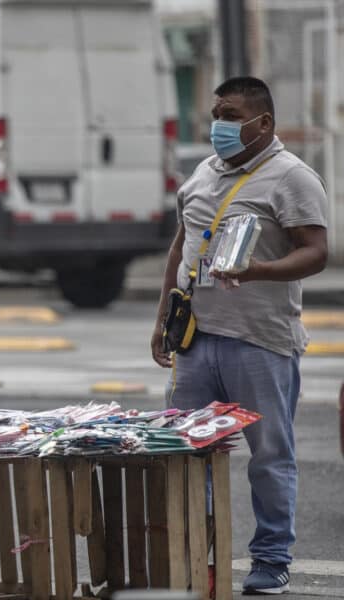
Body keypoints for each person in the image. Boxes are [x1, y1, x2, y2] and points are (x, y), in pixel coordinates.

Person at [150, 77, 327, 595]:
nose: (218, 126)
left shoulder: (292, 178)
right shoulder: (202, 173)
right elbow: (180, 248)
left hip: (260, 342)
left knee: (269, 455)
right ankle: (190, 555)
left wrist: (256, 272)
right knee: (184, 452)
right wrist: (163, 317)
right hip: (195, 343)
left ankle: (271, 559)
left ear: (262, 123)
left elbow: (315, 252)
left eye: (230, 115)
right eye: (216, 115)